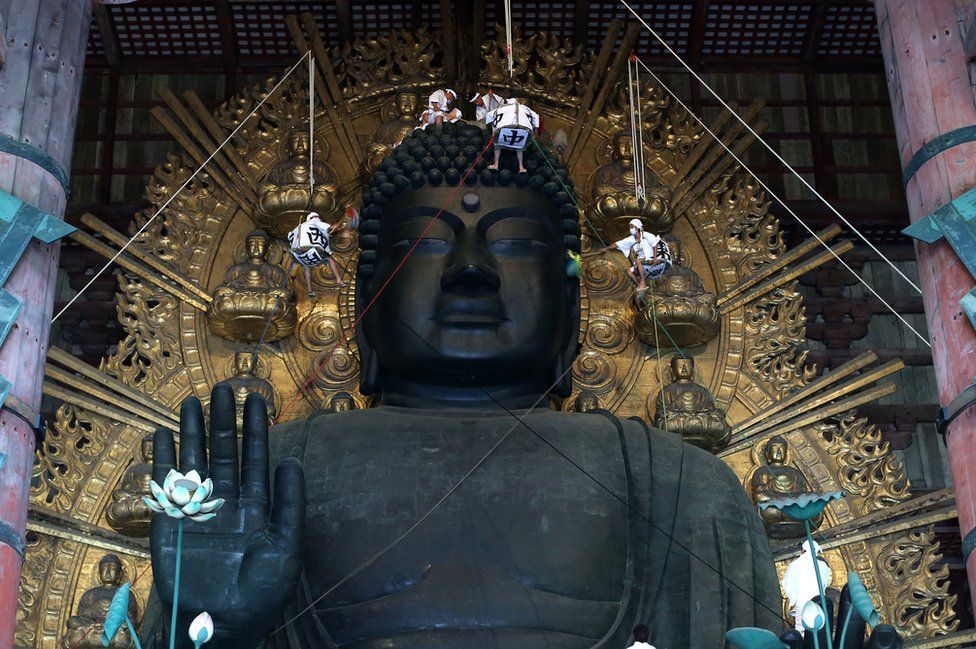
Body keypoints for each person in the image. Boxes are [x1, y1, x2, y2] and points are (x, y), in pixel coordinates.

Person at [597, 218, 671, 291]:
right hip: (642, 258)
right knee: (629, 272)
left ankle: (643, 282)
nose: (630, 229)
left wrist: (655, 258)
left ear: (637, 227)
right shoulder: (631, 239)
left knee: (638, 261)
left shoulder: (646, 235)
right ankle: (640, 285)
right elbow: (618, 244)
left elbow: (655, 245)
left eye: (632, 227)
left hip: (650, 256)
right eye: (630, 227)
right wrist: (606, 248)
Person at [286, 211, 346, 295]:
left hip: (298, 252)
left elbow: (289, 236)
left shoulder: (300, 226)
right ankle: (338, 279)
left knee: (306, 266)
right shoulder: (315, 220)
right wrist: (341, 222)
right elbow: (331, 228)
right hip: (311, 246)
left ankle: (310, 290)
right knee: (330, 259)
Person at [486, 98, 541, 173]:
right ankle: (521, 167)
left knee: (497, 146)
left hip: (504, 129)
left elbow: (489, 115)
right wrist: (535, 128)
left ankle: (496, 164)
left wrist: (491, 128)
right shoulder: (525, 108)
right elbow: (535, 117)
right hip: (522, 130)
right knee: (519, 148)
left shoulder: (502, 108)